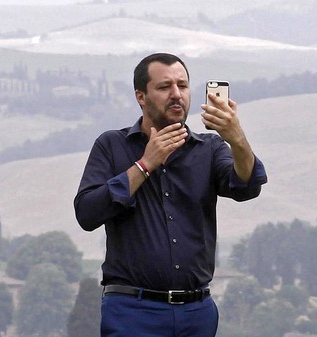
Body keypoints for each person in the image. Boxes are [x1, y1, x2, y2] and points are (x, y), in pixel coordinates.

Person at [73, 53, 267, 336]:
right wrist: (144, 164)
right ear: (141, 96)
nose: (176, 95)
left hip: (197, 312)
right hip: (132, 311)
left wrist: (237, 139)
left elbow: (247, 186)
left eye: (183, 86)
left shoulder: (210, 149)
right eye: (165, 87)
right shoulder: (111, 145)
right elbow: (87, 213)